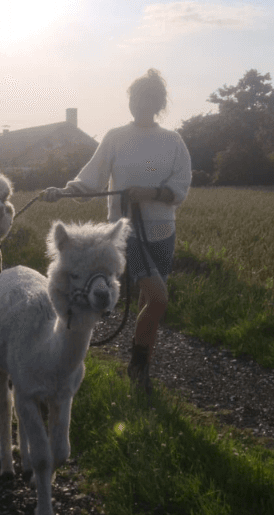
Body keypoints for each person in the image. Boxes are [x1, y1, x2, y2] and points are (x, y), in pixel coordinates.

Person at [42, 68, 192, 395]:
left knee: (147, 302)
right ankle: (138, 365)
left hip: (163, 232)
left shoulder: (173, 141)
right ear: (130, 101)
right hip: (127, 233)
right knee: (159, 299)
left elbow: (180, 187)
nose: (140, 104)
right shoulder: (115, 137)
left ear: (159, 103)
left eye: (147, 98)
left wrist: (151, 193)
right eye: (135, 98)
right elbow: (90, 180)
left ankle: (140, 373)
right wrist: (63, 191)